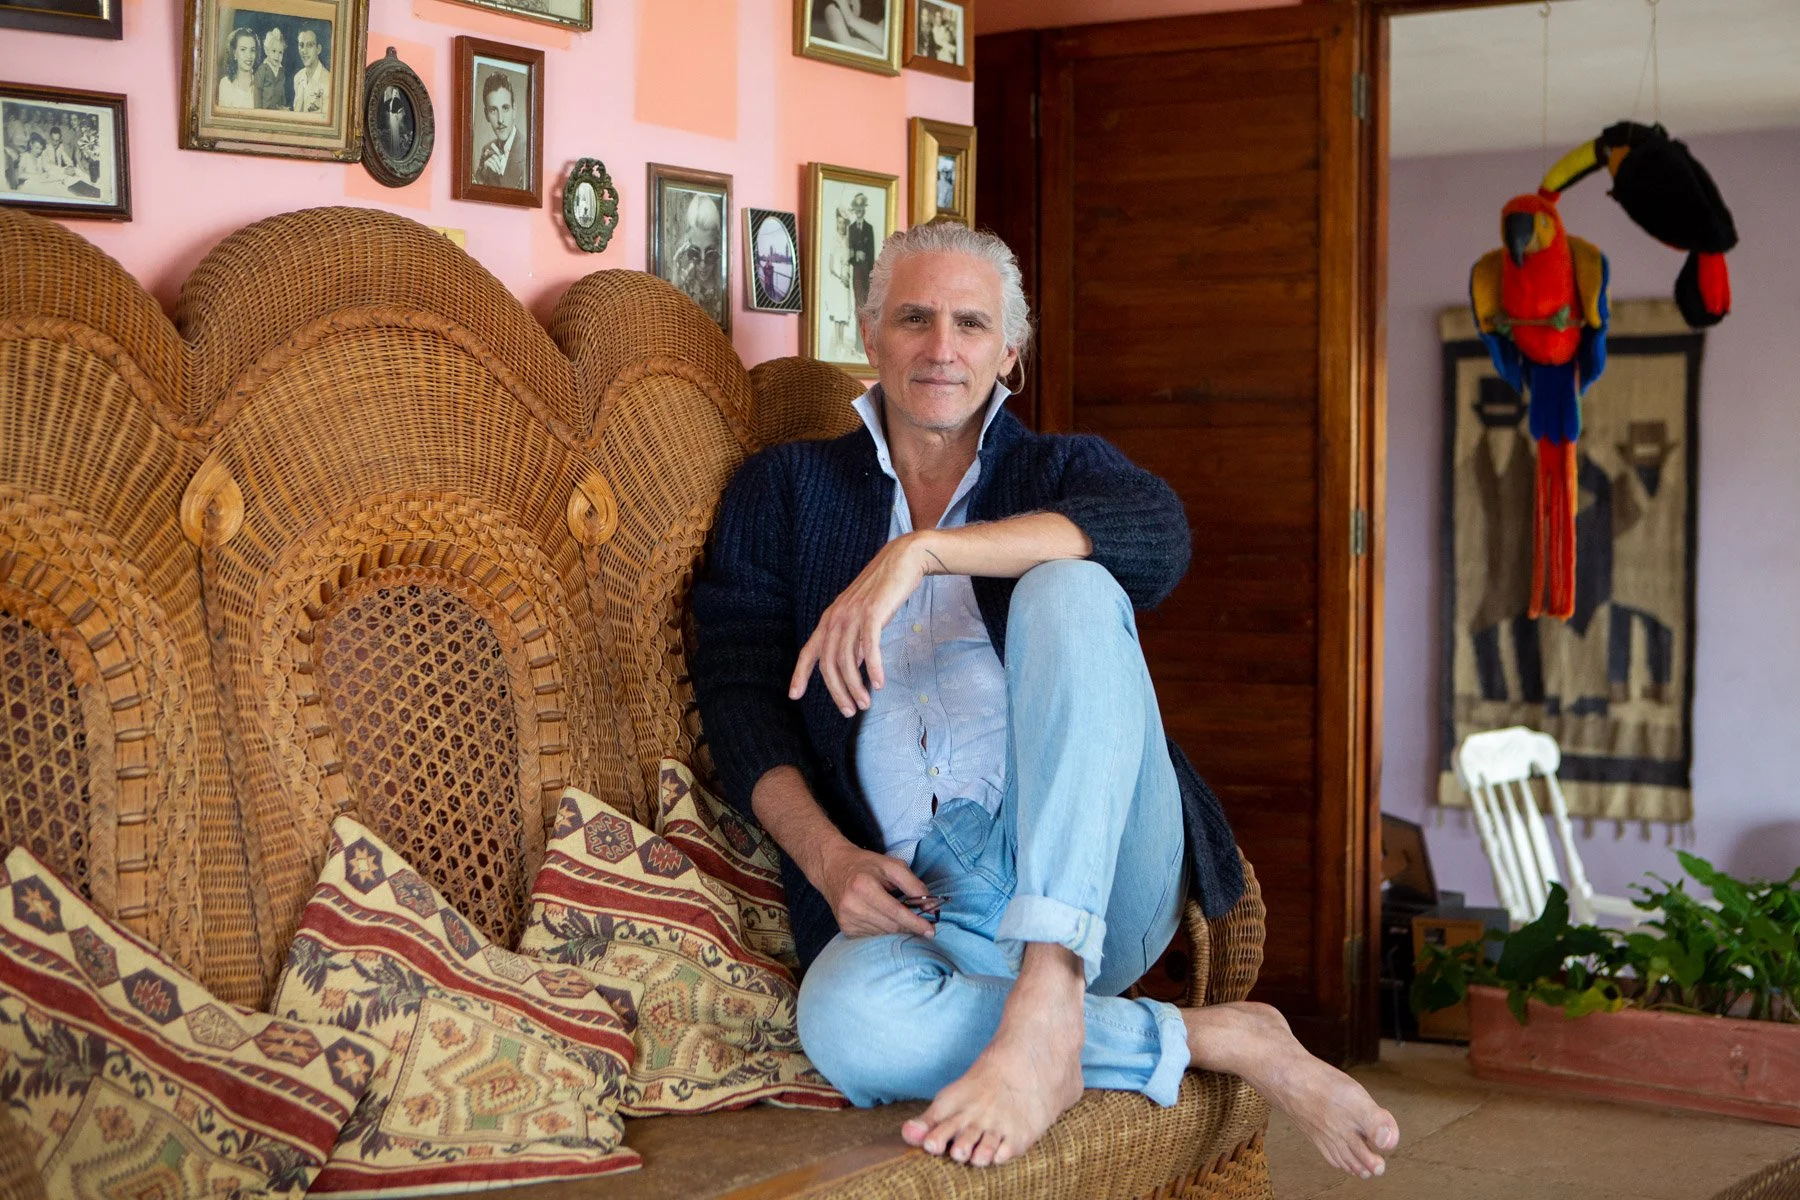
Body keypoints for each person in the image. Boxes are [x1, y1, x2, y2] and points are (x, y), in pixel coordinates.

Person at [692, 221, 1400, 1180]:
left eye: (971, 324)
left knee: (1076, 583)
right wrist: (826, 858)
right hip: (925, 904)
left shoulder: (1058, 471)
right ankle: (1222, 1037)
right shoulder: (784, 492)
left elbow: (1158, 539)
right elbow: (739, 697)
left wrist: (923, 551)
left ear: (1008, 355)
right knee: (846, 1021)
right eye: (915, 318)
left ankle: (1052, 984)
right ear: (872, 336)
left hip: (1107, 870)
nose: (942, 347)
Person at [669, 192, 724, 324]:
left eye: (710, 254)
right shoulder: (682, 286)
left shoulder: (724, 288)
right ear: (686, 249)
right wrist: (676, 279)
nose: (703, 265)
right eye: (695, 253)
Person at [474, 72, 525, 190]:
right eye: (493, 110)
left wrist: (502, 176)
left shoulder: (528, 152)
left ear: (514, 110)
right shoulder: (486, 150)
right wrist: (482, 178)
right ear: (486, 114)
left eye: (505, 108)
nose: (500, 119)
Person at [818, 0, 885, 55]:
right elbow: (847, 45)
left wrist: (851, 19)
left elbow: (888, 42)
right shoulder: (830, 7)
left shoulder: (874, 3)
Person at [846, 191, 875, 317]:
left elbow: (872, 251)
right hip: (857, 270)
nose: (859, 210)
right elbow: (848, 252)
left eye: (861, 207)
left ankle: (865, 335)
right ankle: (859, 335)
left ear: (864, 208)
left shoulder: (869, 228)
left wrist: (872, 274)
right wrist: (855, 256)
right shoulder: (851, 228)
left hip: (867, 270)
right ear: (854, 208)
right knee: (859, 303)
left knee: (868, 304)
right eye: (856, 207)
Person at [217, 27, 259, 110]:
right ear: (235, 53)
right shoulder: (225, 84)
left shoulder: (261, 84)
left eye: (252, 50)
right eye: (243, 49)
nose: (249, 56)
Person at [291, 27, 329, 117]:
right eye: (301, 45)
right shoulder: (297, 78)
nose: (304, 51)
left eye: (310, 45)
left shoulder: (329, 82)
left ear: (318, 49)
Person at [256, 26, 289, 110]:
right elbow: (257, 90)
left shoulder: (281, 71)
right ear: (267, 51)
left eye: (280, 52)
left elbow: (282, 91)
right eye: (274, 51)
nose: (277, 56)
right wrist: (257, 110)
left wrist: (283, 105)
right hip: (264, 109)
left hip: (277, 110)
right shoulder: (263, 69)